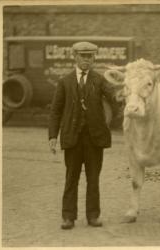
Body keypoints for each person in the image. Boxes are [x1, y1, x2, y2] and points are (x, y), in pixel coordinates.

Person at [48, 41, 116, 229]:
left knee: (93, 179)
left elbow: (115, 99)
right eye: (83, 56)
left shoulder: (100, 80)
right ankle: (68, 217)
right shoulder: (65, 82)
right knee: (71, 178)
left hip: (95, 139)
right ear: (75, 57)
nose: (86, 60)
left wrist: (110, 119)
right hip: (72, 139)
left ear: (94, 58)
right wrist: (53, 136)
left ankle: (93, 216)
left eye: (90, 56)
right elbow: (55, 111)